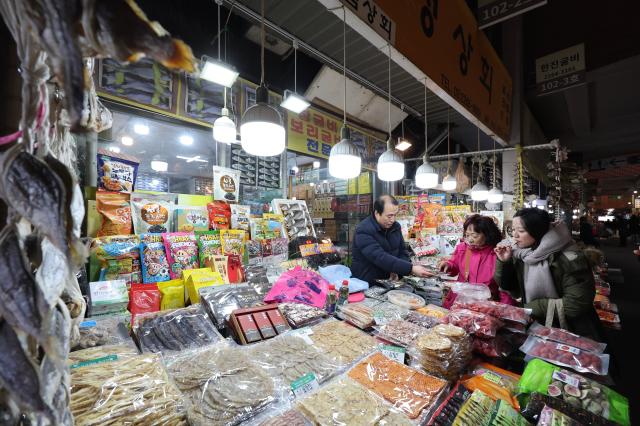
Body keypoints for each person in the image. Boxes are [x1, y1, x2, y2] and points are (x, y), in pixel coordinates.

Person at [494, 208, 602, 339]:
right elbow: (509, 286)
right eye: (513, 230)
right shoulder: (521, 253)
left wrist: (531, 307)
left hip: (571, 330)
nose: (515, 235)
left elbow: (577, 303)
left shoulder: (570, 258)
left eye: (521, 231)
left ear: (538, 232)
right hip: (536, 326)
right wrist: (504, 262)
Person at [351, 195, 432, 284]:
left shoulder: (395, 227)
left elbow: (402, 252)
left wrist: (397, 270)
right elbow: (379, 257)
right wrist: (410, 268)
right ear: (377, 213)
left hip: (389, 281)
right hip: (366, 282)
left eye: (395, 215)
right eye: (389, 216)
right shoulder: (363, 230)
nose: (393, 220)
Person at [438, 214, 514, 308]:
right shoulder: (462, 248)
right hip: (461, 301)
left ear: (487, 235)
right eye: (467, 235)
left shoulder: (498, 253)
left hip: (487, 304)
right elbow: (455, 266)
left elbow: (504, 286)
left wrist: (506, 309)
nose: (470, 239)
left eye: (474, 235)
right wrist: (448, 265)